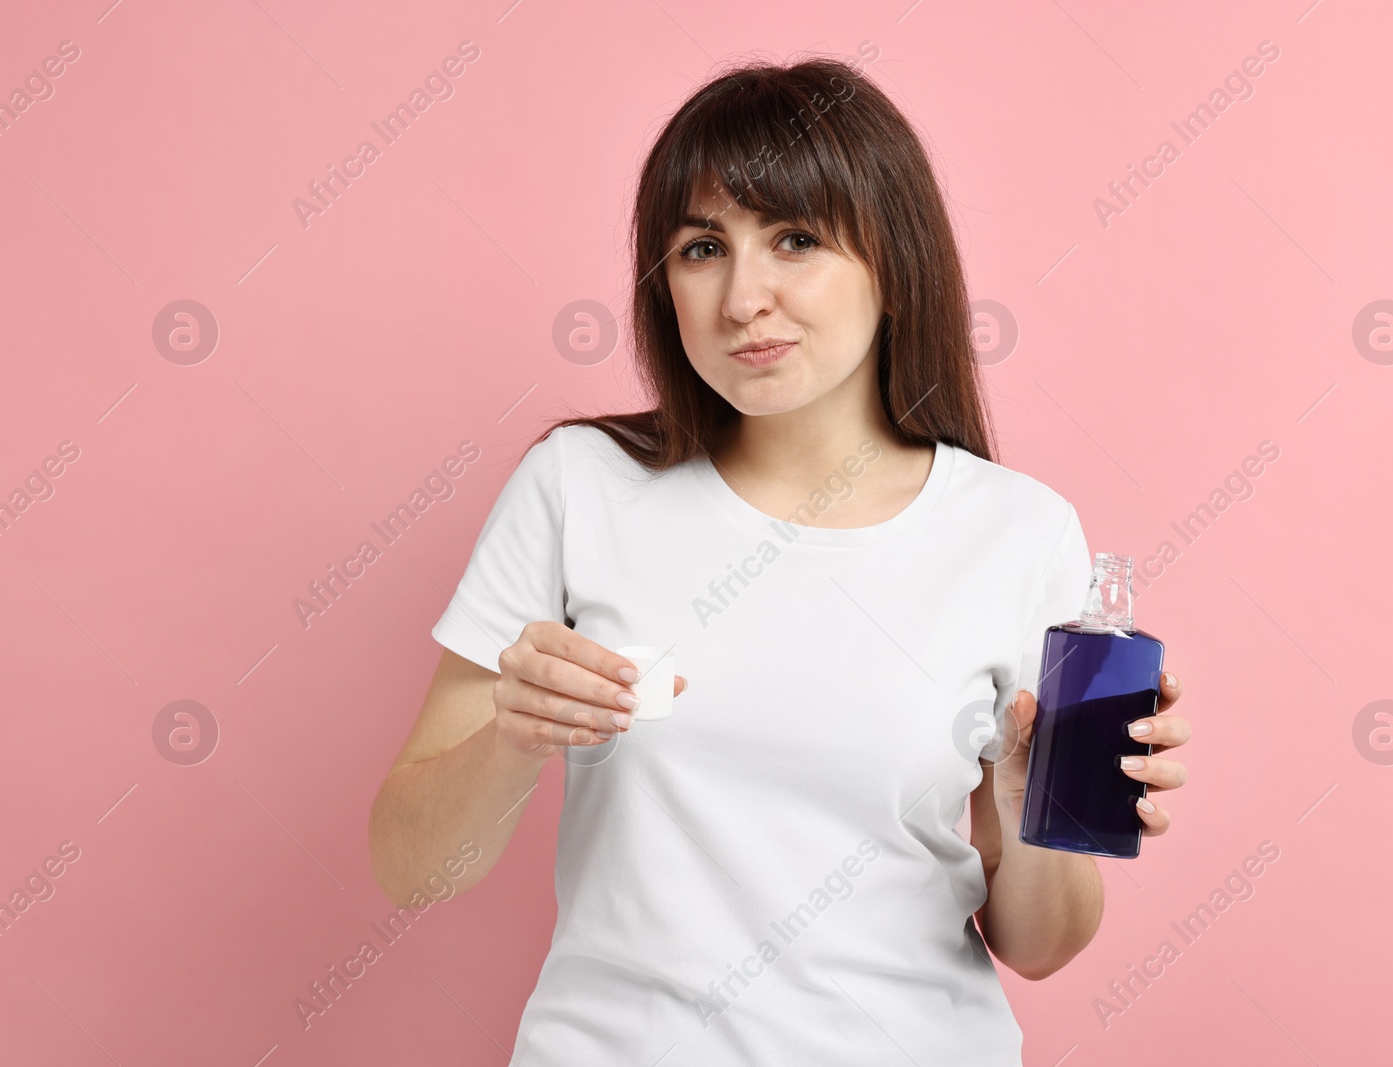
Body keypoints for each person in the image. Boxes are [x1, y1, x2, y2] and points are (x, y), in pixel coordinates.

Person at [368, 54, 1191, 1065]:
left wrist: (1027, 805)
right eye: (701, 246)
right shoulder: (579, 487)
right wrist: (513, 730)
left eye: (795, 239)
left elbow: (1040, 943)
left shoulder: (1018, 533)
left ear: (894, 261)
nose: (743, 296)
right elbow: (413, 867)